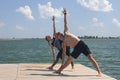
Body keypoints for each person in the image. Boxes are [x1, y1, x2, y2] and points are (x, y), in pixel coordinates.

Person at [54, 8, 102, 77]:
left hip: (81, 44)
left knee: (91, 58)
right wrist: (62, 62)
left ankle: (99, 72)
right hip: (76, 48)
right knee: (69, 60)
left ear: (60, 34)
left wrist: (65, 14)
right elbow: (64, 53)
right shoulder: (63, 43)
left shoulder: (66, 32)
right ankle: (59, 70)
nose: (57, 36)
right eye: (56, 36)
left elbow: (65, 23)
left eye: (58, 34)